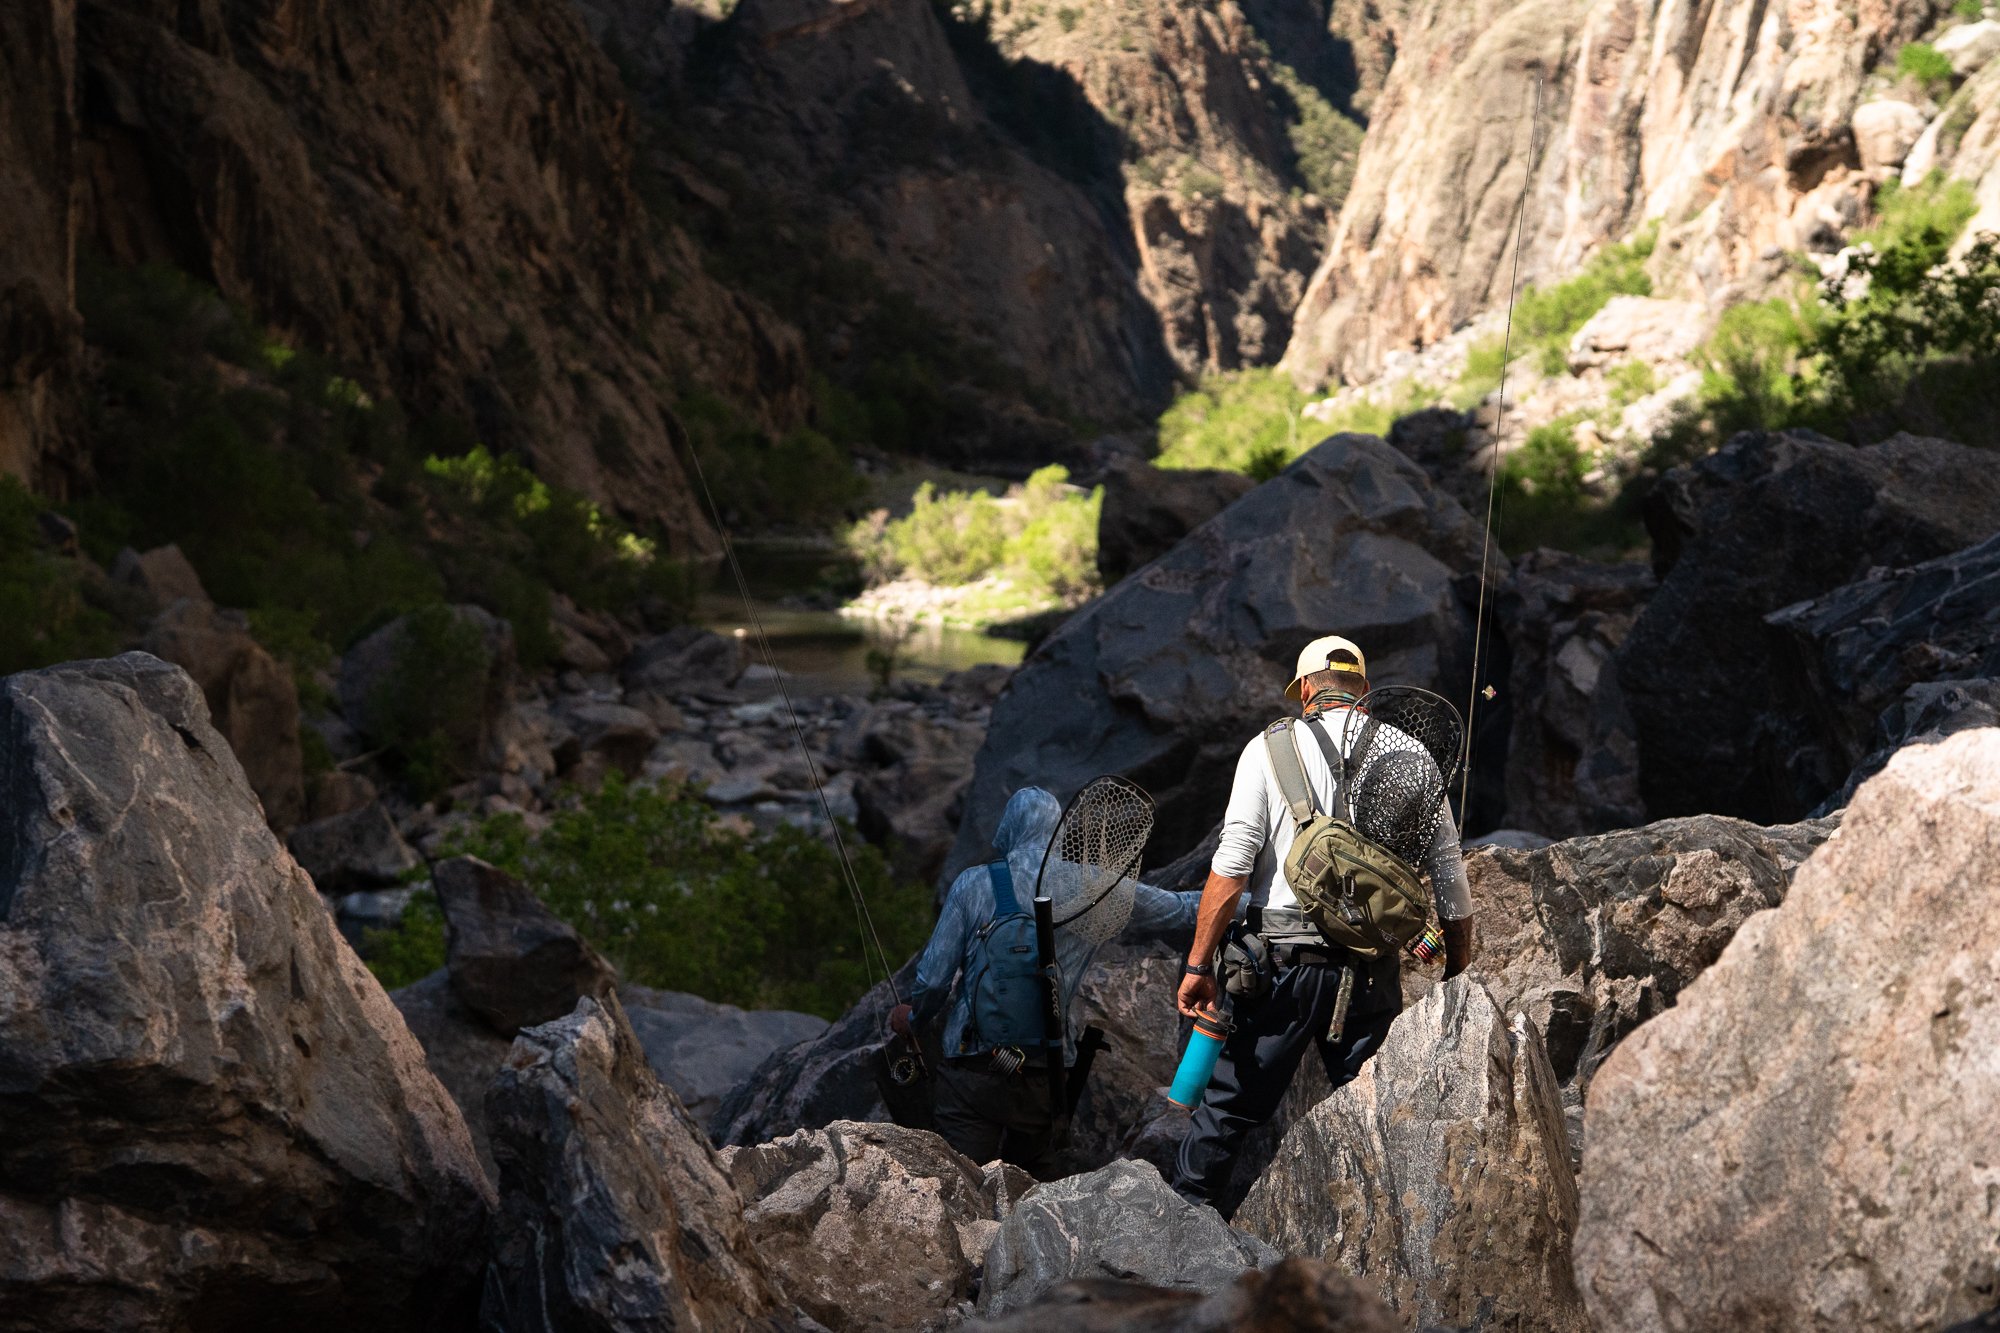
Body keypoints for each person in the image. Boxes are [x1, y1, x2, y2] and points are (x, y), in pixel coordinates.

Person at [1169, 634, 1475, 1210]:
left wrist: (1197, 965)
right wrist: (1455, 975)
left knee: (1228, 1112)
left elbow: (1232, 868)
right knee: (1380, 1117)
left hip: (1276, 970)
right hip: (1368, 973)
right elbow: (1450, 879)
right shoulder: (1411, 754)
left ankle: (1180, 1240)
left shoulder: (1266, 749)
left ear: (1305, 688)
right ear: (1363, 689)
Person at [890, 785, 1198, 1170]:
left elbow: (934, 981)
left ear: (1009, 828)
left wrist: (913, 1019)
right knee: (1029, 1185)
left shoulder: (973, 884)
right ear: (1057, 831)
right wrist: (1252, 905)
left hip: (972, 1071)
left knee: (960, 1181)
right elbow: (1178, 910)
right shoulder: (1091, 887)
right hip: (1045, 1073)